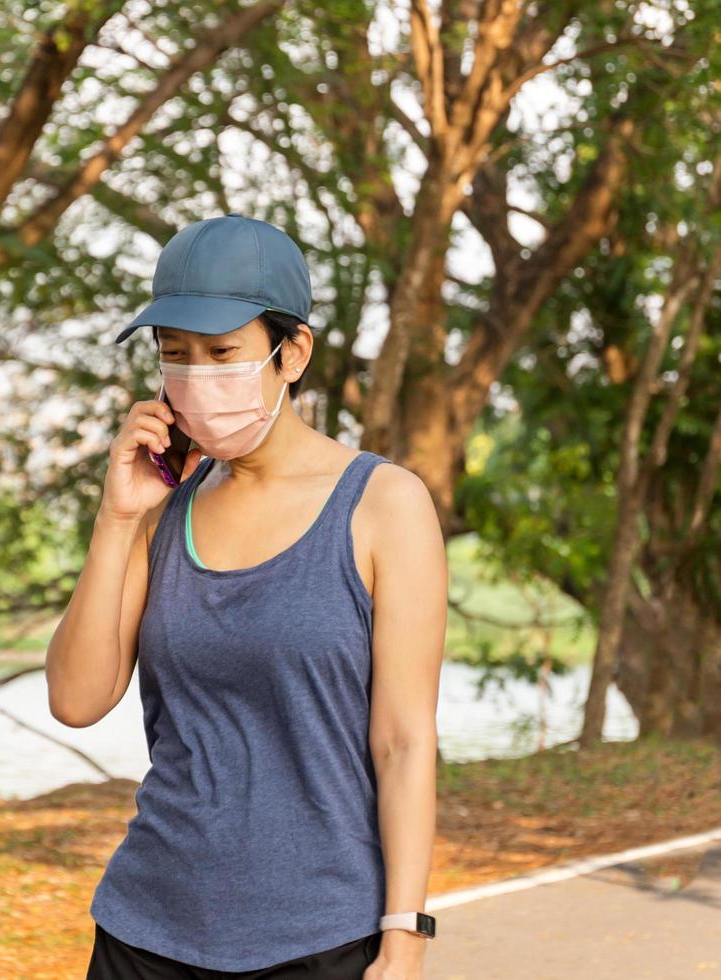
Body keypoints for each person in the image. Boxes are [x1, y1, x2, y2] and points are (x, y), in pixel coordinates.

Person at [45, 214, 447, 980]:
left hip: (319, 941)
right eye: (175, 356)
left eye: (223, 353)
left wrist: (405, 938)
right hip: (146, 932)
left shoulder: (384, 505)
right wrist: (119, 516)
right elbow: (76, 698)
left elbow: (402, 742)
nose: (196, 378)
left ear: (290, 352)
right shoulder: (166, 504)